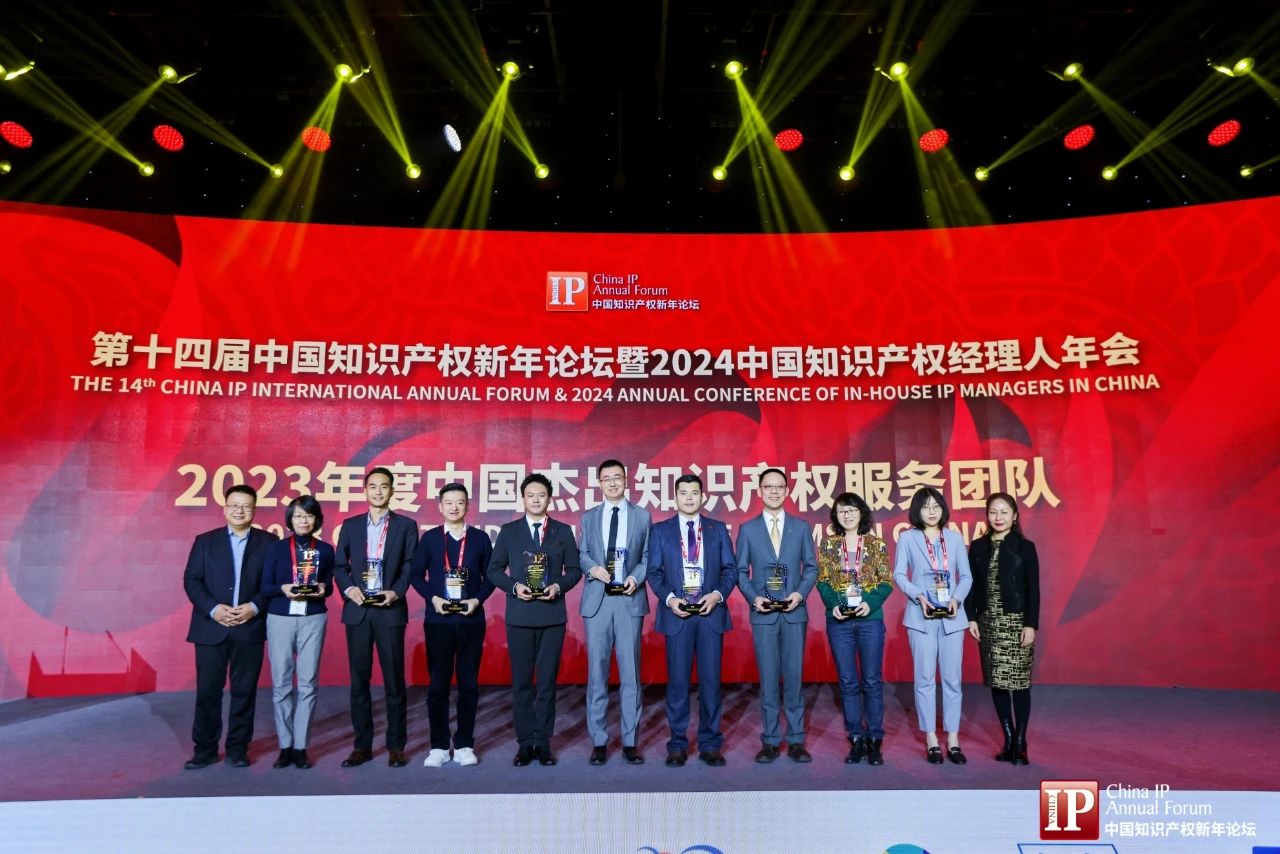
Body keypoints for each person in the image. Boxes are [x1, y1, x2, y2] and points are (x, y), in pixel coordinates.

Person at [486, 472, 582, 767]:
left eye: (541, 495)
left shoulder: (563, 531)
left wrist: (558, 586)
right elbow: (494, 570)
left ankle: (543, 743)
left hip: (552, 616)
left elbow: (574, 570)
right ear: (523, 499)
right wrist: (515, 586)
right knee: (522, 683)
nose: (536, 500)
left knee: (547, 683)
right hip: (520, 615)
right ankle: (524, 743)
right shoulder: (509, 531)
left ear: (549, 498)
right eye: (531, 495)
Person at [181, 483, 278, 769]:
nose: (240, 511)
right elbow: (192, 580)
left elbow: (273, 583)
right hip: (210, 627)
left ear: (254, 510)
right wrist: (214, 609)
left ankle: (237, 749)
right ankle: (205, 750)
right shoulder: (205, 541)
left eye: (246, 506)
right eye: (234, 505)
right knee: (207, 692)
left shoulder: (269, 543)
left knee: (244, 692)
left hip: (249, 627)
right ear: (225, 509)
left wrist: (254, 607)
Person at [647, 472, 737, 767]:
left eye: (694, 492)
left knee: (711, 684)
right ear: (675, 497)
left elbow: (730, 570)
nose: (689, 497)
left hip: (710, 615)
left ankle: (710, 744)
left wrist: (717, 595)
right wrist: (671, 600)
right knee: (677, 683)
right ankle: (677, 744)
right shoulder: (660, 531)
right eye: (683, 493)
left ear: (703, 497)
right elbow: (654, 573)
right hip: (678, 616)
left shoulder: (717, 529)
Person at [333, 466, 419, 768]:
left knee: (394, 682)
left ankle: (396, 746)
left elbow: (410, 565)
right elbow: (339, 566)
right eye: (373, 486)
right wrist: (349, 589)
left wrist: (395, 592)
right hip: (358, 611)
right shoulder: (350, 525)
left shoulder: (406, 525)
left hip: (389, 610)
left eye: (384, 486)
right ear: (365, 490)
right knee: (359, 682)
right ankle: (362, 746)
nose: (378, 491)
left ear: (392, 490)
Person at [734, 467, 818, 763]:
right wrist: (754, 598)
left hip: (794, 613)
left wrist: (800, 594)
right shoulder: (748, 529)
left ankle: (796, 739)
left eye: (779, 487)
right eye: (768, 487)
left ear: (787, 491)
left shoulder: (801, 527)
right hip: (764, 614)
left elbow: (811, 568)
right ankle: (770, 740)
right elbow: (740, 571)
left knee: (794, 678)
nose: (773, 491)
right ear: (759, 491)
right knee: (768, 679)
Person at [410, 483, 495, 768]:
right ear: (440, 506)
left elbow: (491, 576)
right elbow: (415, 575)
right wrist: (433, 599)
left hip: (471, 620)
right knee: (438, 686)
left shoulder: (480, 539)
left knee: (468, 684)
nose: (454, 507)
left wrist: (477, 600)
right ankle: (438, 745)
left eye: (460, 502)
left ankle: (464, 744)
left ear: (468, 505)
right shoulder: (431, 539)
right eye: (449, 502)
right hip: (438, 621)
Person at [578, 459, 652, 766]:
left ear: (626, 480)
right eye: (606, 478)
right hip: (598, 601)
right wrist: (593, 569)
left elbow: (647, 555)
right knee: (597, 673)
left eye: (617, 477)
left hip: (628, 600)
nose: (612, 483)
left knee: (631, 673)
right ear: (599, 483)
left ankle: (630, 741)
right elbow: (582, 553)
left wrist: (636, 577)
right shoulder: (589, 517)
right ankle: (599, 740)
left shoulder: (642, 516)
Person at [893, 486, 973, 764]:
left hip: (952, 618)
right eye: (925, 506)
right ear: (917, 510)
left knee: (952, 680)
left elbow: (966, 576)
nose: (931, 511)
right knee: (925, 679)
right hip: (921, 617)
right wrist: (918, 596)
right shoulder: (908, 538)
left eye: (936, 506)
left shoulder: (954, 538)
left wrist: (956, 599)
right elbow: (899, 574)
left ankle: (953, 738)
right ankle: (930, 738)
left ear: (943, 509)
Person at [815, 492, 893, 766]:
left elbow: (886, 581)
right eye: (841, 511)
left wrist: (869, 603)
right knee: (847, 681)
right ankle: (856, 737)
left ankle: (875, 738)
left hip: (870, 620)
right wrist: (834, 604)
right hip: (839, 621)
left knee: (871, 680)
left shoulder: (876, 545)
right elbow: (823, 581)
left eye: (851, 510)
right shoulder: (828, 545)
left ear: (861, 513)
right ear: (835, 516)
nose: (847, 515)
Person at [260, 495, 334, 770]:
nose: (304, 520)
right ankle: (285, 745)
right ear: (290, 520)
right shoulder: (276, 549)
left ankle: (301, 746)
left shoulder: (325, 550)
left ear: (317, 519)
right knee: (281, 683)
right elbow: (265, 586)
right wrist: (283, 588)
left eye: (309, 515)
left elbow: (329, 586)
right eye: (299, 516)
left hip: (313, 617)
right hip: (280, 617)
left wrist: (323, 588)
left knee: (308, 682)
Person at [965, 492, 1040, 765]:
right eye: (993, 512)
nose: (998, 517)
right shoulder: (978, 547)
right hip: (988, 622)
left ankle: (1021, 741)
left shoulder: (1025, 547)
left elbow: (1034, 589)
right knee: (997, 681)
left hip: (1016, 621)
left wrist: (1030, 624)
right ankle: (1008, 738)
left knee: (1019, 684)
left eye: (1004, 512)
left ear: (1015, 516)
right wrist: (971, 617)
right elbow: (971, 586)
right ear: (987, 515)